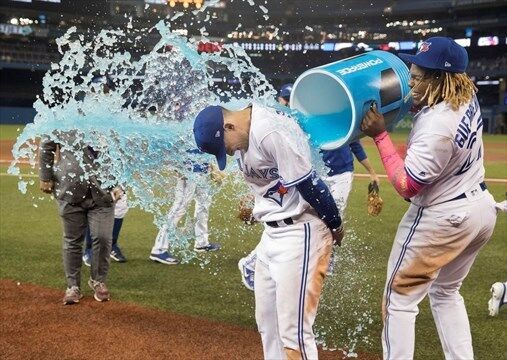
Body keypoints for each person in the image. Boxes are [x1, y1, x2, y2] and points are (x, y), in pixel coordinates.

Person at [360, 37, 498, 359]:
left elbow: (407, 185)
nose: (412, 79)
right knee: (447, 292)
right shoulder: (465, 95)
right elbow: (428, 105)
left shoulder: (438, 126)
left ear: (440, 79)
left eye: (420, 75)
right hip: (479, 210)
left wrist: (380, 136)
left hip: (444, 218)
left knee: (399, 301)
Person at [193, 103, 344, 359]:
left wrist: (335, 223)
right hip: (271, 235)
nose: (228, 154)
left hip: (300, 231)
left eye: (224, 147)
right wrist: (254, 207)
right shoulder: (245, 131)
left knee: (294, 334)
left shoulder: (268, 131)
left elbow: (309, 183)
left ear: (229, 126)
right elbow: (270, 183)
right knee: (268, 325)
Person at [237, 83, 380, 289]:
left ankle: (324, 258)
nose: (286, 102)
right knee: (307, 219)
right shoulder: (289, 123)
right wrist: (254, 195)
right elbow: (269, 166)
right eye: (284, 98)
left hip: (341, 173)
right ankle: (256, 261)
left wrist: (372, 171)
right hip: (314, 176)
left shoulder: (332, 117)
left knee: (333, 214)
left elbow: (355, 145)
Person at [39, 134, 121, 304]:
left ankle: (98, 281)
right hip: (69, 189)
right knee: (72, 240)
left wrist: (121, 183)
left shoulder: (111, 117)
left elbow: (123, 151)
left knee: (103, 237)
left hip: (104, 190)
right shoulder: (63, 115)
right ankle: (73, 286)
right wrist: (45, 177)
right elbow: (46, 146)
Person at [149, 149, 221, 265]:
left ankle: (201, 243)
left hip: (202, 172)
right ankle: (159, 249)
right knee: (179, 209)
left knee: (204, 206)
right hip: (187, 173)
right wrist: (177, 167)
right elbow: (173, 144)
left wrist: (211, 168)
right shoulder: (183, 130)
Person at [83, 192, 128, 265]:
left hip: (117, 181)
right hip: (96, 182)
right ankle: (90, 248)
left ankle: (111, 245)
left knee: (120, 207)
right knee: (94, 205)